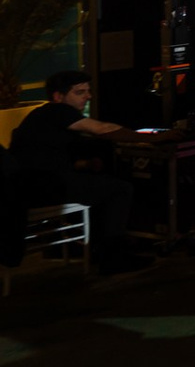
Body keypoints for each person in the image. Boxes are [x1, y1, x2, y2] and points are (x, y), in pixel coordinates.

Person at [6, 71, 145, 273]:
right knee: (120, 189)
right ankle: (113, 256)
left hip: (29, 186)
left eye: (88, 91)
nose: (88, 96)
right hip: (40, 186)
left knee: (101, 185)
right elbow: (102, 128)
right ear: (58, 96)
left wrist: (85, 165)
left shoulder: (43, 117)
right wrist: (155, 138)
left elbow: (46, 158)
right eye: (80, 92)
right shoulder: (57, 111)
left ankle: (97, 248)